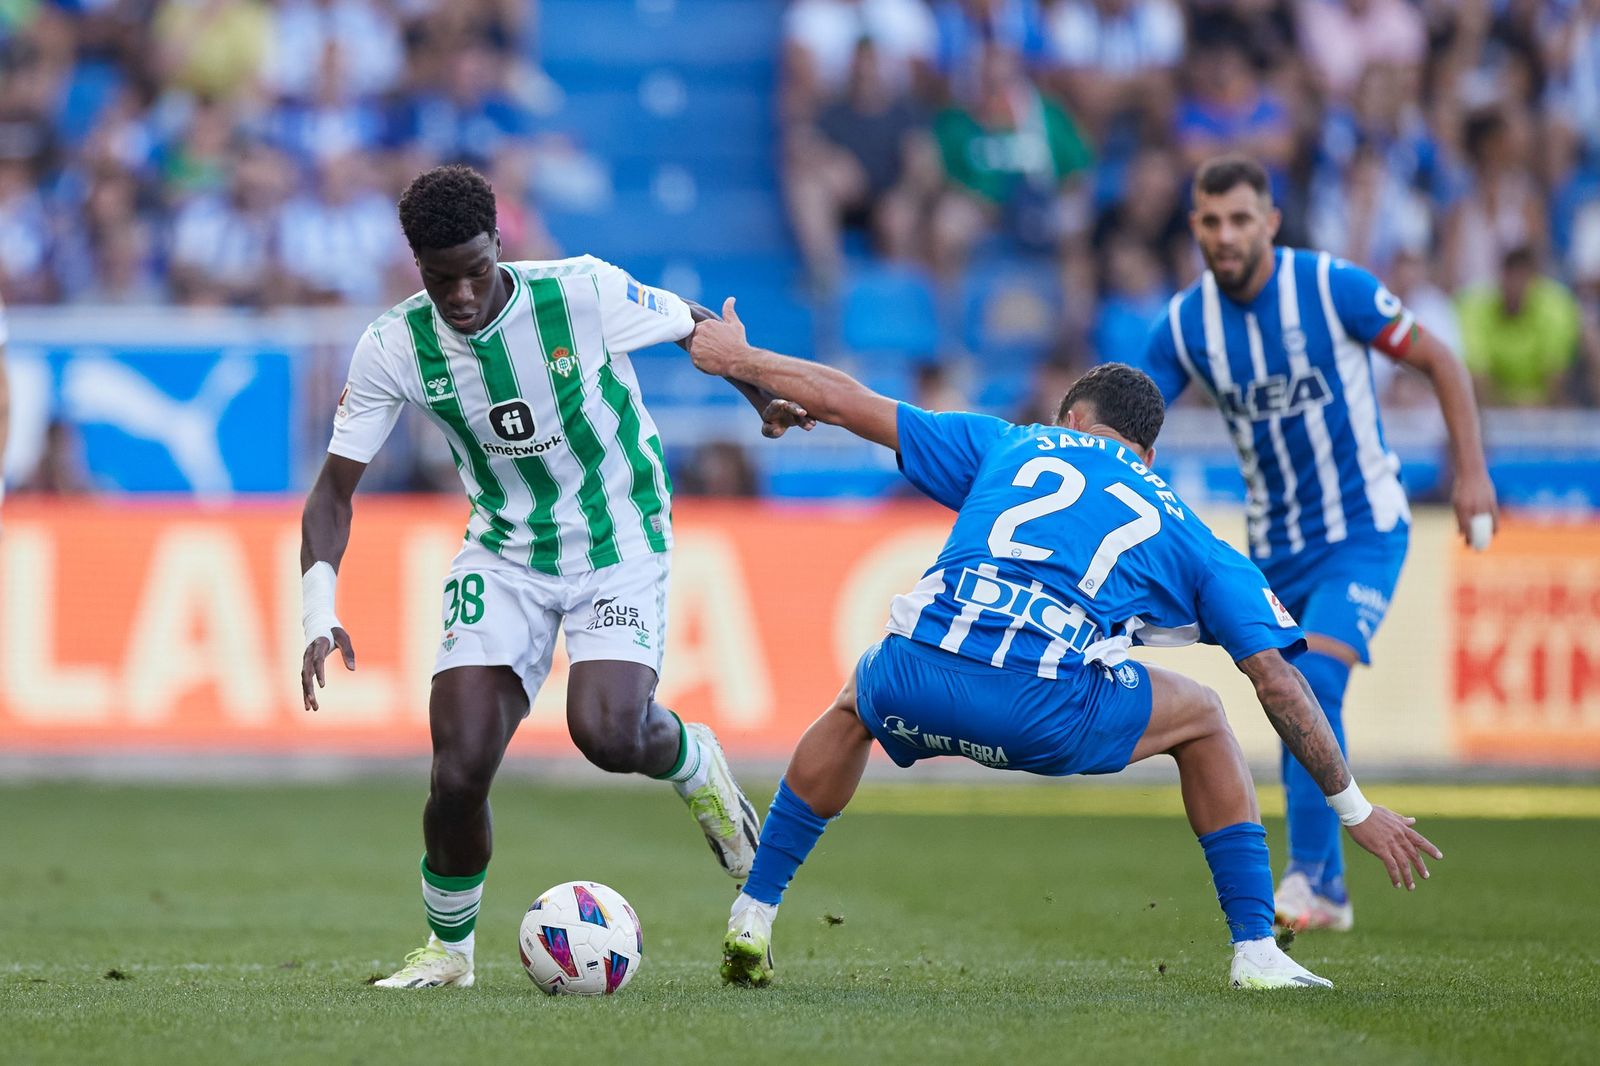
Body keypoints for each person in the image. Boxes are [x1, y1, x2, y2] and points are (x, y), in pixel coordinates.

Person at [687, 313, 1441, 990]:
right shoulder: (1183, 526)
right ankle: (1255, 951)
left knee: (855, 701)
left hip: (919, 678)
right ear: (1145, 451)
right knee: (1207, 717)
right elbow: (1277, 680)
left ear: (1071, 418)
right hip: (1041, 711)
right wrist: (1354, 809)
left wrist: (744, 360)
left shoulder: (1008, 442)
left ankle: (755, 910)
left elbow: (847, 400)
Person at [298, 164, 786, 989]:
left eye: (474, 270)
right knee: (457, 770)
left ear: (502, 245)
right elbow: (332, 492)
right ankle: (449, 955)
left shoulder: (581, 292)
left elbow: (691, 324)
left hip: (618, 533)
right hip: (504, 550)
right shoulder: (394, 345)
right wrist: (318, 609)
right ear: (415, 265)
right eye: (437, 276)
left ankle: (695, 763)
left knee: (608, 735)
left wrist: (760, 396)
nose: (458, 294)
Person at [1130, 154, 1494, 933]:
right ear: (1193, 225)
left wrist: (1471, 474)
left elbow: (1440, 359)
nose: (1225, 236)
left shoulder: (1335, 289)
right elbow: (1130, 421)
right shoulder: (1187, 325)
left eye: (1240, 220)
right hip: (1273, 546)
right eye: (1210, 222)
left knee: (1315, 681)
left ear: (1271, 223)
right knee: (1287, 697)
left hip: (1363, 529)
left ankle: (1314, 881)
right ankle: (1323, 885)